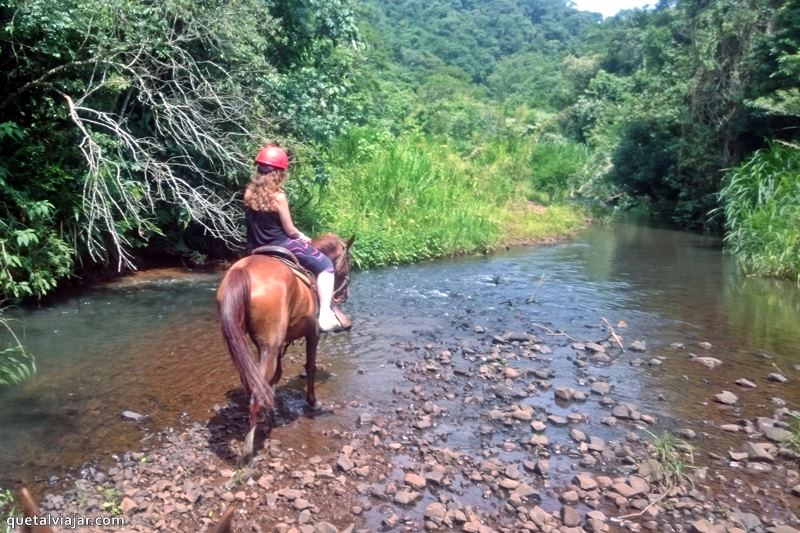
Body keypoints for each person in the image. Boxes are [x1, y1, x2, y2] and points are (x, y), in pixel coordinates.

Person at [244, 145, 343, 332]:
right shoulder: (278, 196)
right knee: (326, 266)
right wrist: (302, 236)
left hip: (254, 247)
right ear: (278, 173)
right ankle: (324, 313)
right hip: (282, 244)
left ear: (259, 171)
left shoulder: (248, 194)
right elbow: (289, 230)